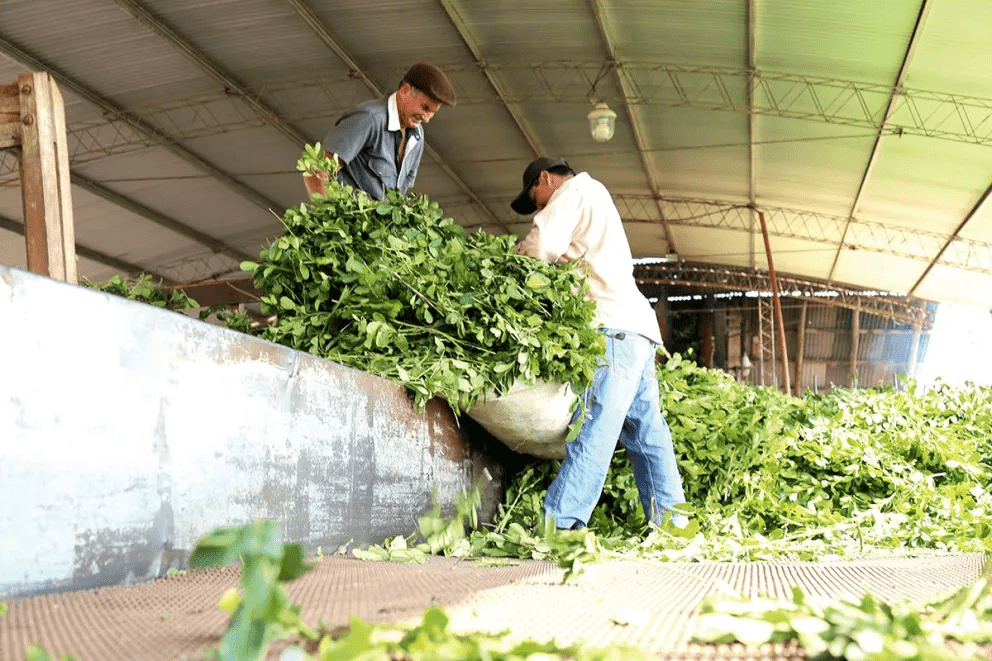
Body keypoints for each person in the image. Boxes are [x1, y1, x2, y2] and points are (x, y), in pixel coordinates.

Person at [510, 156, 688, 530]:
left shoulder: (573, 192)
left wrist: (511, 262)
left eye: (537, 201)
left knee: (594, 426)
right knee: (646, 433)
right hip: (637, 331)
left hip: (612, 329)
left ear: (546, 179)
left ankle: (560, 525)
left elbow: (541, 247)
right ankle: (673, 526)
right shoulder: (596, 195)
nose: (539, 210)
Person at [303, 63, 456, 200]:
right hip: (348, 220)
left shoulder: (417, 137)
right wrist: (327, 214)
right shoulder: (368, 119)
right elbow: (317, 168)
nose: (427, 118)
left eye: (432, 112)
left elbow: (399, 193)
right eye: (425, 108)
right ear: (405, 91)